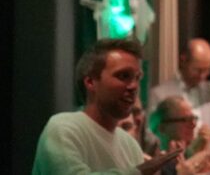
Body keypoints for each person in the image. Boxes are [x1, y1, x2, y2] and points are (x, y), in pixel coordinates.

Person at [32, 37, 182, 174]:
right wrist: (140, 171)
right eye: (124, 76)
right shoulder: (63, 128)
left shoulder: (130, 145)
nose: (134, 86)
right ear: (90, 82)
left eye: (137, 78)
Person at [149, 38, 210, 150]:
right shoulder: (159, 94)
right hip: (176, 163)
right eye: (198, 70)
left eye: (207, 70)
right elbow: (150, 138)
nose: (203, 76)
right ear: (183, 61)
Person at [147, 97, 210, 175]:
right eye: (186, 120)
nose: (194, 125)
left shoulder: (194, 151)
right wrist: (199, 158)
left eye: (194, 118)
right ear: (163, 128)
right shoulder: (150, 161)